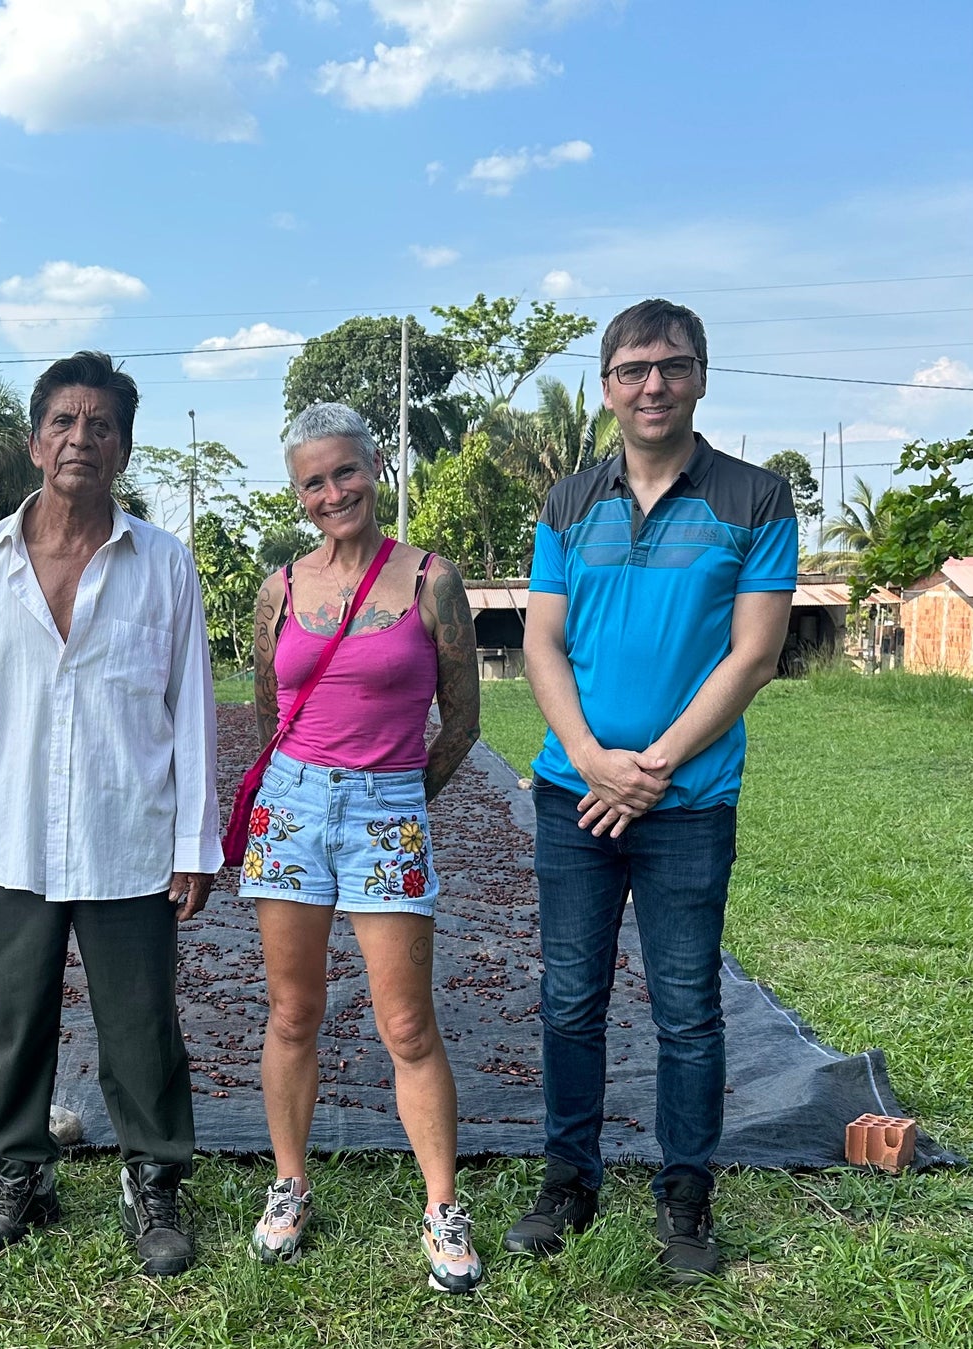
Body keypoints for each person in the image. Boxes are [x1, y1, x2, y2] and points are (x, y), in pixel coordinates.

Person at [506, 299, 797, 1283]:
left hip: (688, 803)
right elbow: (542, 640)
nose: (652, 385)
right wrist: (591, 757)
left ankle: (685, 1197)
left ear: (701, 377)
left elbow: (754, 655)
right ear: (607, 385)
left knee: (687, 1008)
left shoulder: (755, 498)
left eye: (671, 366)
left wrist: (652, 766)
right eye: (632, 369)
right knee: (571, 998)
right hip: (572, 795)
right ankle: (569, 1180)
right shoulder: (565, 501)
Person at [0, 351, 220, 1278]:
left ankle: (154, 1181)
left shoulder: (162, 564)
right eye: (63, 421)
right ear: (33, 440)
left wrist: (195, 840)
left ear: (124, 450)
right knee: (14, 1019)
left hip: (126, 831)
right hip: (8, 837)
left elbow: (194, 708)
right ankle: (19, 1176)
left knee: (141, 1025)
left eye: (100, 425)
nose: (80, 438)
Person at [242, 403, 483, 1293]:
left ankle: (443, 1204)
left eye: (346, 472)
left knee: (407, 1023)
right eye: (314, 480)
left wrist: (402, 800)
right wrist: (304, 788)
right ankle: (289, 1181)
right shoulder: (279, 588)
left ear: (375, 470)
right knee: (292, 1013)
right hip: (293, 805)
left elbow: (462, 718)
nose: (333, 491)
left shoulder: (431, 581)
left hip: (388, 808)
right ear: (298, 492)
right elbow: (269, 716)